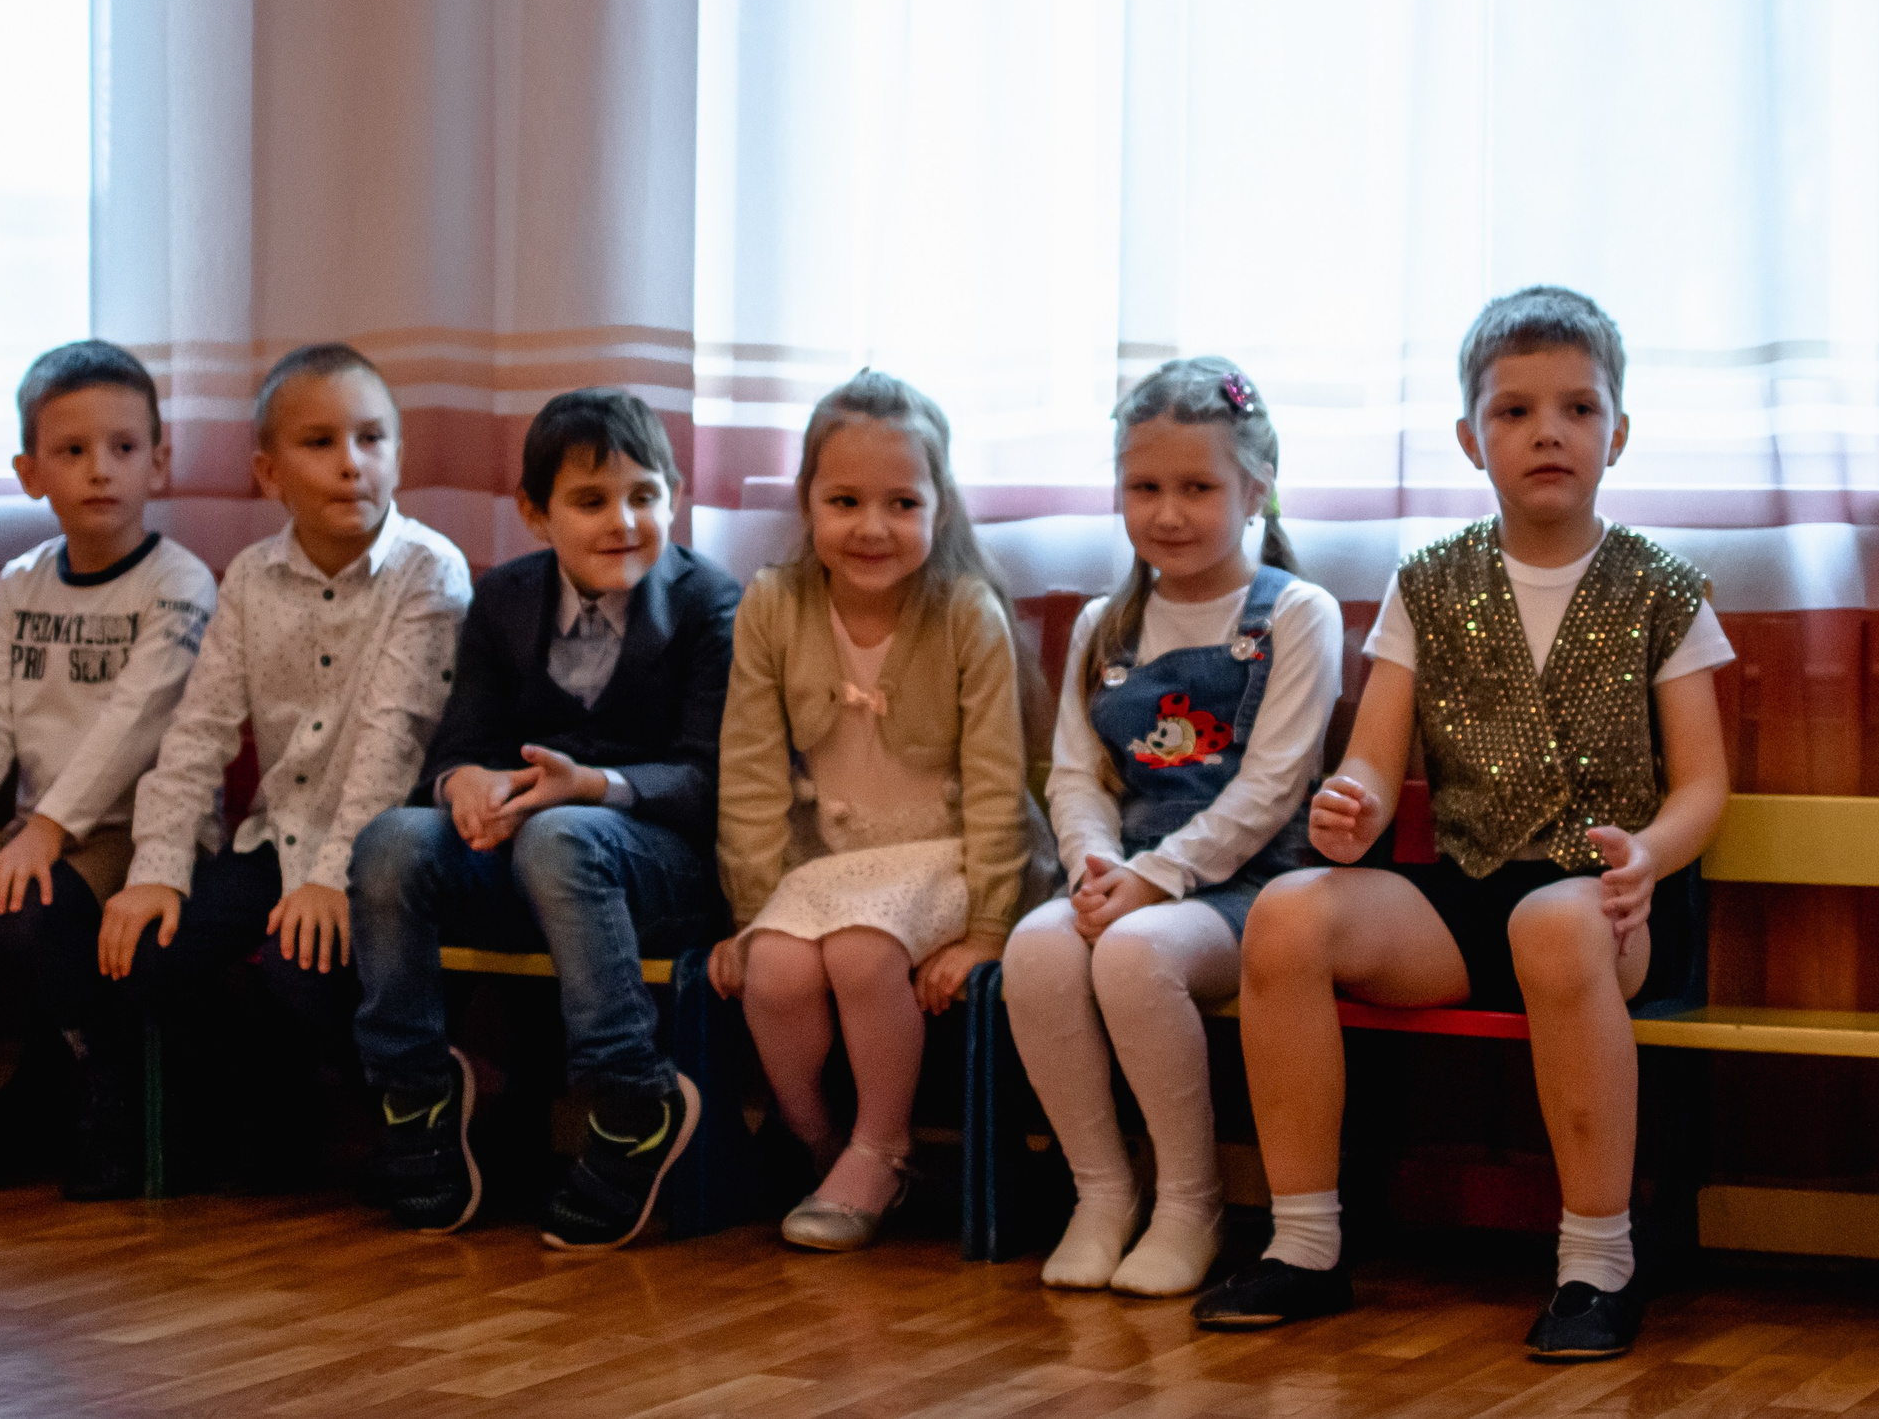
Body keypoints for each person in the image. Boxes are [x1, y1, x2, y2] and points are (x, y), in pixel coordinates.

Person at [1193, 287, 1734, 1361]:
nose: (1547, 431)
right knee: (1290, 916)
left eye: (1578, 408)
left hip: (1604, 905)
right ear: (1468, 436)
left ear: (1616, 434)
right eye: (1514, 409)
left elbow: (1703, 782)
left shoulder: (1660, 588)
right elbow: (1372, 765)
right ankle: (1303, 1241)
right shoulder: (1428, 583)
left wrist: (1650, 855)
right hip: (1460, 899)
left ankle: (1596, 1261)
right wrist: (1348, 810)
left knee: (1552, 922)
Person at [351, 388, 740, 1250]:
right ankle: (412, 1087)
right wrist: (463, 788)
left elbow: (711, 779)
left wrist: (595, 785)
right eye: (591, 501)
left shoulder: (711, 605)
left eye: (645, 496)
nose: (623, 521)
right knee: (390, 842)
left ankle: (632, 1095)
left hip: (655, 858)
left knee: (563, 837)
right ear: (535, 514)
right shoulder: (505, 601)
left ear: (674, 497)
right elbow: (464, 745)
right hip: (526, 842)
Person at [93, 342, 470, 1187]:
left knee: (306, 971)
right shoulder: (252, 581)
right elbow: (197, 734)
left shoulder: (428, 572)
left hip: (383, 855)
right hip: (278, 836)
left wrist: (332, 877)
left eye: (373, 440)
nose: (351, 466)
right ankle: (239, 1122)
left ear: (398, 456)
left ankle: (421, 1110)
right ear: (268, 472)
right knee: (150, 952)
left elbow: (392, 743)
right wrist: (158, 867)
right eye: (320, 443)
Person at [1004, 358, 1342, 1298]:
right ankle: (1103, 1191)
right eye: (1144, 487)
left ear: (1256, 490)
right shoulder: (1103, 626)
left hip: (1255, 891)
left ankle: (1192, 1203)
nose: (1168, 512)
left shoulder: (1294, 616)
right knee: (1035, 953)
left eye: (1198, 487)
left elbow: (1273, 786)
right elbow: (1075, 774)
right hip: (1130, 876)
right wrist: (1095, 864)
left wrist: (1156, 880)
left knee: (1135, 954)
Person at [710, 369, 1046, 1252]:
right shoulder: (774, 605)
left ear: (940, 506)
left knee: (862, 954)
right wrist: (751, 913)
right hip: (827, 864)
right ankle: (820, 1139)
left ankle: (884, 1147)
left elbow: (996, 783)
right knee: (777, 973)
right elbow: (748, 773)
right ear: (808, 502)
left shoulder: (965, 611)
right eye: (845, 500)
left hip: (948, 857)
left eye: (902, 502)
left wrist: (986, 929)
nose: (871, 527)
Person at [0, 341, 216, 1204]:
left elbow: (135, 724)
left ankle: (105, 1102)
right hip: (34, 828)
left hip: (132, 836)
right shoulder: (23, 582)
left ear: (159, 462)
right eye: (71, 451)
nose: (100, 470)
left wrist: (48, 832)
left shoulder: (181, 582)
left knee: (38, 904)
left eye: (124, 448)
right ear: (31, 472)